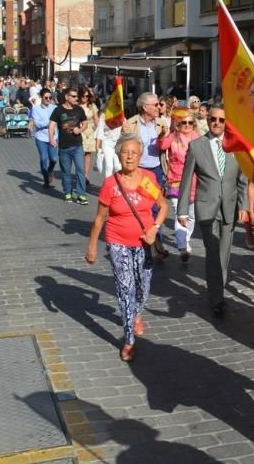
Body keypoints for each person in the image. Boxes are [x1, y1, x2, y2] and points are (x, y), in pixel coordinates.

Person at [85, 134, 168, 362]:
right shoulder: (111, 184)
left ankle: (137, 313)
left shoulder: (147, 179)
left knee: (143, 287)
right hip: (117, 243)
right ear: (118, 155)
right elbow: (99, 219)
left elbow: (163, 206)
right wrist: (92, 246)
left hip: (145, 244)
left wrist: (155, 228)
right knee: (125, 290)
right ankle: (129, 338)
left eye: (134, 152)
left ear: (140, 155)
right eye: (125, 152)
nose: (129, 156)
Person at [177, 104, 249, 318]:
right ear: (207, 121)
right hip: (206, 207)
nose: (216, 123)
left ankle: (218, 288)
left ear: (227, 123)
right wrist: (182, 210)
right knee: (213, 252)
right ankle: (217, 298)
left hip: (230, 207)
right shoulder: (197, 146)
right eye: (213, 119)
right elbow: (186, 179)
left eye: (221, 120)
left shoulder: (235, 146)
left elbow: (242, 180)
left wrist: (244, 206)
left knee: (224, 254)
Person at [124, 92, 170, 259]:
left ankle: (157, 242)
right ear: (145, 107)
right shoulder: (131, 124)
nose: (159, 107)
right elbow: (123, 148)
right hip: (140, 171)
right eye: (156, 105)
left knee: (157, 207)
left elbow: (166, 147)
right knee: (144, 207)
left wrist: (165, 137)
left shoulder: (161, 123)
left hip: (157, 170)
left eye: (159, 104)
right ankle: (145, 243)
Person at [158, 107, 200, 261]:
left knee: (192, 215)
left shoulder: (197, 137)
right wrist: (163, 134)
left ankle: (186, 238)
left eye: (190, 123)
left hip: (194, 182)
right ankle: (182, 245)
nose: (187, 126)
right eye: (184, 123)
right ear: (178, 124)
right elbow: (161, 146)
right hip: (175, 181)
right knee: (179, 214)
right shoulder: (172, 137)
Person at [49, 87, 89, 204]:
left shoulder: (79, 109)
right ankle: (67, 192)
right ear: (66, 97)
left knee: (80, 170)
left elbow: (85, 123)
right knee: (66, 172)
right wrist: (51, 138)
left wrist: (80, 130)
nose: (76, 98)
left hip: (77, 146)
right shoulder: (58, 110)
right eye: (73, 96)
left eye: (77, 96)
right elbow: (51, 125)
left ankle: (81, 195)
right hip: (63, 147)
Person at [29, 89, 58, 189]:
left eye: (50, 98)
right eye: (46, 98)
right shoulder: (36, 109)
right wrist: (51, 122)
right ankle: (46, 180)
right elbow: (38, 124)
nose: (48, 99)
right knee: (43, 158)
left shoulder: (55, 108)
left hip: (53, 137)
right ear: (41, 97)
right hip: (41, 137)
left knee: (54, 159)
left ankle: (50, 171)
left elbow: (59, 120)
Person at [79, 87, 100, 180]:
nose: (85, 98)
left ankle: (86, 175)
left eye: (87, 96)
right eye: (83, 96)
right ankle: (80, 172)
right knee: (79, 153)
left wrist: (100, 131)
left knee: (88, 154)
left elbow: (96, 120)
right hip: (79, 131)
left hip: (90, 132)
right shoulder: (76, 105)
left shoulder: (92, 106)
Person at [95, 109, 122, 177]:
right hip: (107, 142)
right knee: (109, 166)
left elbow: (126, 128)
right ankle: (108, 186)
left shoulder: (121, 114)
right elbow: (100, 130)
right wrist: (97, 146)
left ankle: (118, 184)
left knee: (118, 167)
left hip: (118, 143)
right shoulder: (104, 115)